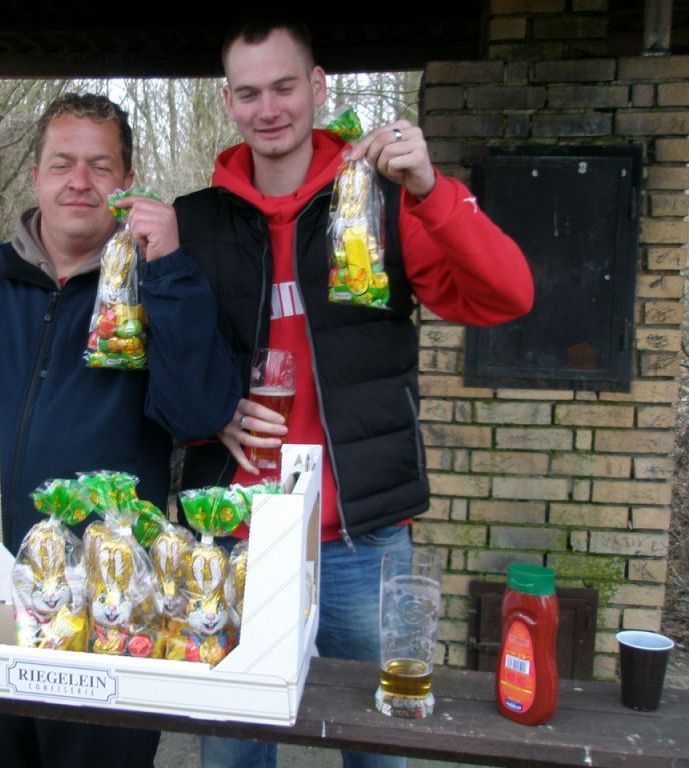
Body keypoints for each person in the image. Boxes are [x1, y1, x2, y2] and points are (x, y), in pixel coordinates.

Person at [173, 17, 534, 768]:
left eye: (284, 87)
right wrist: (210, 417)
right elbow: (163, 369)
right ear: (228, 101)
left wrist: (431, 189)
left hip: (361, 540)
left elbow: (508, 295)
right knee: (233, 753)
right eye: (249, 93)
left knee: (378, 748)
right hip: (236, 538)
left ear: (317, 86)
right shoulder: (194, 223)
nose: (268, 109)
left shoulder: (385, 202)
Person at [0, 92, 241, 768]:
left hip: (112, 611)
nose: (79, 181)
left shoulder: (155, 283)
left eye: (100, 166)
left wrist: (168, 270)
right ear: (35, 177)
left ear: (126, 183)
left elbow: (199, 414)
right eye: (62, 163)